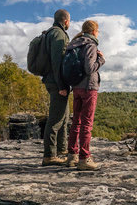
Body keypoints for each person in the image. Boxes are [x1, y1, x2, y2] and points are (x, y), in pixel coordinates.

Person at [65, 20, 105, 170]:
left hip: (76, 87)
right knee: (86, 123)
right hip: (88, 87)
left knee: (76, 121)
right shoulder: (90, 45)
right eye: (98, 31)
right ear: (94, 31)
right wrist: (101, 60)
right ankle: (84, 158)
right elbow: (90, 69)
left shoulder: (75, 44)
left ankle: (72, 156)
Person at [42, 9, 71, 166]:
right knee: (55, 119)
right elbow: (57, 61)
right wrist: (61, 85)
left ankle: (62, 150)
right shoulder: (59, 34)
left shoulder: (49, 33)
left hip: (52, 79)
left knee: (64, 117)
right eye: (69, 21)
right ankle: (49, 156)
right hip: (56, 81)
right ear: (66, 21)